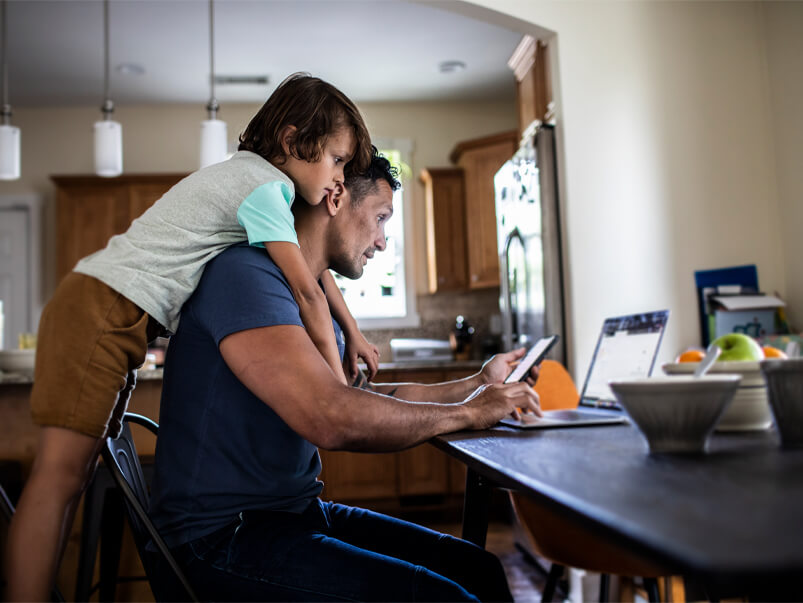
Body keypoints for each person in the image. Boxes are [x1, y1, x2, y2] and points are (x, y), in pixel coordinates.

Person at [4, 73, 379, 601]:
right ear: (293, 143)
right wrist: (338, 385)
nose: (339, 178)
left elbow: (315, 274)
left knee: (74, 478)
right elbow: (307, 291)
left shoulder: (255, 184)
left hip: (111, 313)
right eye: (336, 160)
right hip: (100, 308)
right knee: (59, 478)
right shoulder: (263, 188)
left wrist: (354, 333)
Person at [147, 151, 542, 601]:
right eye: (380, 218)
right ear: (335, 198)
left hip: (291, 515)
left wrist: (477, 386)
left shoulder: (311, 293)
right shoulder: (245, 275)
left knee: (478, 570)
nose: (382, 241)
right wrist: (468, 414)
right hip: (218, 540)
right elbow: (333, 415)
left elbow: (366, 396)